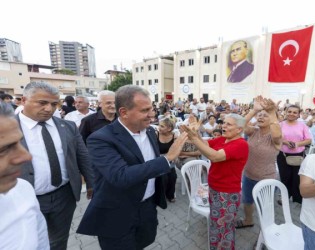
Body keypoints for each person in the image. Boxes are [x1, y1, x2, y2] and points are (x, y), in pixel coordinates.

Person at [77, 85, 187, 250]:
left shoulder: (150, 131)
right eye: (145, 110)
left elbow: (151, 166)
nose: (152, 114)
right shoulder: (100, 139)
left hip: (146, 209)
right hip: (117, 214)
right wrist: (168, 158)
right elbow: (121, 176)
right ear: (123, 112)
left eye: (152, 108)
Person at [17, 82, 95, 250]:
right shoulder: (7, 128)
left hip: (64, 196)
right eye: (42, 103)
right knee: (29, 243)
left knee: (59, 240)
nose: (49, 109)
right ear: (24, 100)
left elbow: (83, 156)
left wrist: (91, 182)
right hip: (25, 200)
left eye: (54, 104)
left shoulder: (67, 126)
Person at [180, 113, 249, 250]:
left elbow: (214, 156)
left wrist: (194, 138)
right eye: (224, 122)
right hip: (215, 188)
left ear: (239, 129)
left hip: (227, 193)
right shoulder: (223, 139)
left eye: (229, 124)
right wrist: (196, 133)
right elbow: (205, 144)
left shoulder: (241, 144)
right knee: (217, 224)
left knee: (224, 228)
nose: (224, 125)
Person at [0, 102, 50, 250]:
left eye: (18, 143)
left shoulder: (22, 190)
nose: (26, 156)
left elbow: (41, 243)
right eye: (3, 149)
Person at [235, 96, 282, 228]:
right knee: (247, 201)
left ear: (272, 119)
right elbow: (239, 124)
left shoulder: (275, 137)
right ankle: (248, 220)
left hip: (266, 178)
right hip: (248, 175)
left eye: (264, 116)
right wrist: (254, 110)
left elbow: (277, 135)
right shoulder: (253, 132)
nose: (260, 117)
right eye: (259, 116)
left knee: (265, 208)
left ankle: (266, 234)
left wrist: (272, 113)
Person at [277, 105, 312, 204]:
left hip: (298, 155)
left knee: (297, 177)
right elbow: (276, 138)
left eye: (294, 112)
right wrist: (285, 142)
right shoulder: (280, 125)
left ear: (298, 114)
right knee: (285, 177)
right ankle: (285, 197)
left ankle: (297, 198)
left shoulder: (302, 125)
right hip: (283, 155)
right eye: (289, 111)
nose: (291, 114)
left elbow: (308, 139)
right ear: (286, 112)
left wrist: (297, 144)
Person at [157, 118, 178, 202]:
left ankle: (170, 195)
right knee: (163, 177)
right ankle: (160, 196)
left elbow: (176, 149)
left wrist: (175, 157)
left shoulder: (174, 136)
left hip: (170, 160)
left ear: (169, 128)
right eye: (159, 125)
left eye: (162, 126)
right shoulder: (156, 134)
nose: (159, 127)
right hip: (157, 159)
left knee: (173, 176)